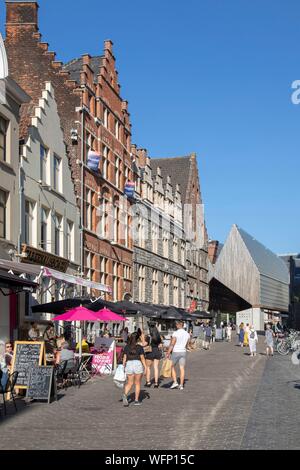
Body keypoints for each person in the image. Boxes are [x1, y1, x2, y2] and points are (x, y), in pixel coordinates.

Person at [122, 332, 147, 406]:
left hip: (129, 364)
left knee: (129, 383)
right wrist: (145, 367)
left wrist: (123, 366)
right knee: (137, 383)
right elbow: (142, 358)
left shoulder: (127, 347)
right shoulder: (139, 347)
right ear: (137, 339)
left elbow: (124, 358)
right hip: (137, 364)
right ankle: (136, 400)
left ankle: (125, 394)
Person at [166, 320, 190, 390]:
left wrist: (168, 353)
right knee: (182, 368)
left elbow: (172, 344)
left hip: (176, 351)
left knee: (171, 366)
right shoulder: (187, 334)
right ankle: (181, 385)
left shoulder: (175, 333)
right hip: (183, 352)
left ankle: (175, 382)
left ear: (179, 325)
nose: (176, 326)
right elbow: (187, 345)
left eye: (176, 325)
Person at [144, 323, 163, 388]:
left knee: (148, 367)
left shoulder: (148, 336)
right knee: (156, 367)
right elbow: (160, 345)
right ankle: (156, 383)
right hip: (157, 351)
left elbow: (145, 344)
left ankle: (148, 382)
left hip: (150, 352)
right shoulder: (158, 336)